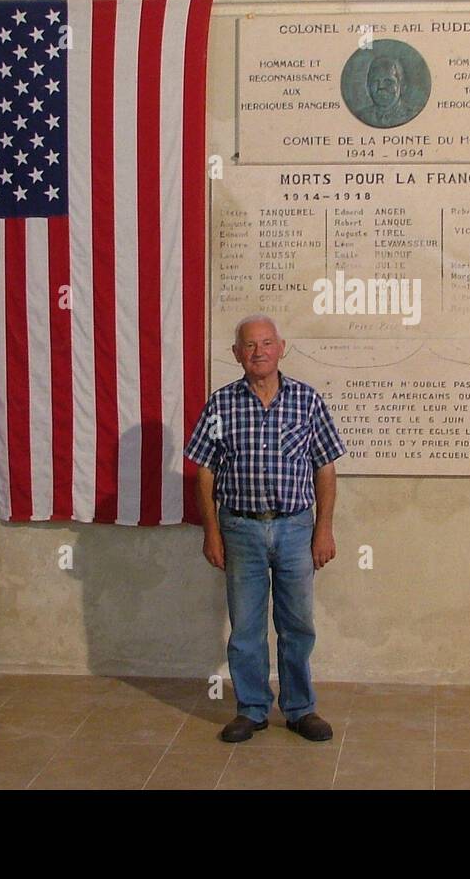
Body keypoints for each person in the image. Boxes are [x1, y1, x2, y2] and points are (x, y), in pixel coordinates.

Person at [184, 314, 346, 743]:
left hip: (295, 529)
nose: (258, 352)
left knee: (297, 625)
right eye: (249, 345)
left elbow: (325, 470)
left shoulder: (307, 401)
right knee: (247, 627)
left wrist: (323, 530)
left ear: (281, 347)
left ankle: (299, 709)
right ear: (237, 354)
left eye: (266, 343)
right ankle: (252, 709)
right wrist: (212, 532)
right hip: (241, 530)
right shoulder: (221, 405)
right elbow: (204, 473)